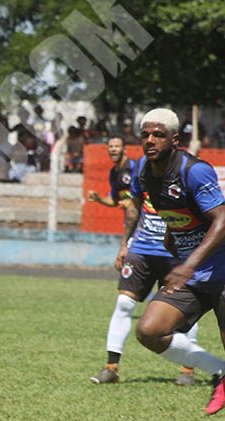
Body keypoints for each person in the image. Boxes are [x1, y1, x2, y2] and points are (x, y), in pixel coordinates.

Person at [132, 108, 225, 421]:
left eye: (158, 135)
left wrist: (188, 263)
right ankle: (220, 370)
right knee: (149, 331)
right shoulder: (145, 172)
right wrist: (173, 236)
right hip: (192, 271)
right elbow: (174, 212)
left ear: (175, 139)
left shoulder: (194, 171)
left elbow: (223, 219)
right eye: (145, 135)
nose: (150, 141)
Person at [87, 135, 202, 386]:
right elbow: (132, 209)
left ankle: (188, 369)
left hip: (175, 254)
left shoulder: (188, 173)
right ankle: (111, 367)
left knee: (182, 313)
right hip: (142, 249)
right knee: (123, 304)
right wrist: (124, 245)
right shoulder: (141, 170)